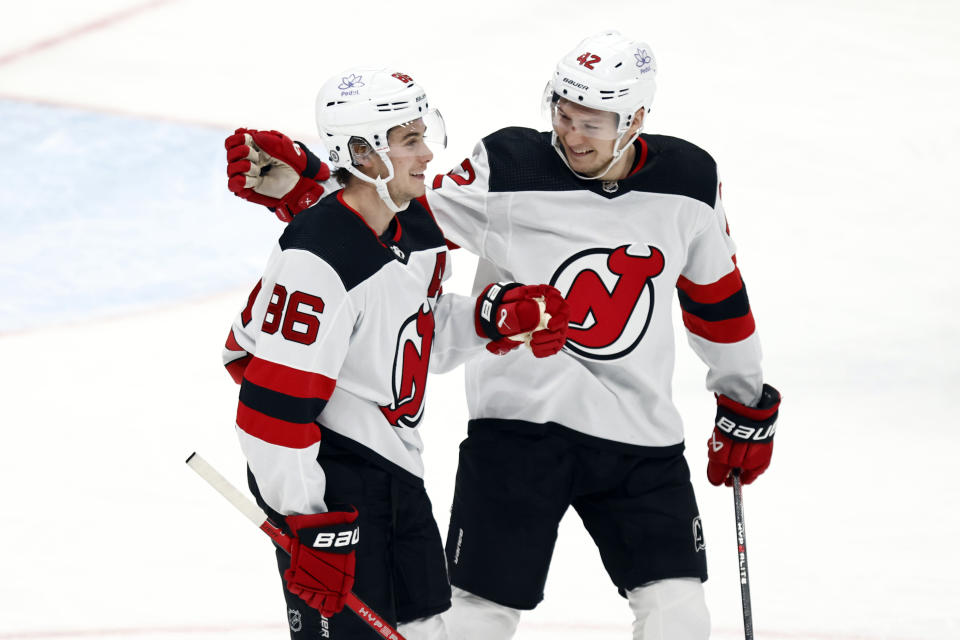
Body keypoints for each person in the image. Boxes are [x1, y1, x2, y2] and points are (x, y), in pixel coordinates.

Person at [226, 31, 782, 640]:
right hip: (518, 431)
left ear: (635, 119)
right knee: (473, 615)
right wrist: (314, 186)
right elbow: (395, 221)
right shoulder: (510, 164)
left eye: (591, 123)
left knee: (679, 610)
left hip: (639, 433)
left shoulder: (689, 180)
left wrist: (742, 398)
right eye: (562, 115)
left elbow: (717, 297)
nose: (570, 135)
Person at [220, 66, 569, 640]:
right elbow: (271, 415)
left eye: (422, 134)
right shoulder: (317, 259)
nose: (428, 153)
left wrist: (494, 316)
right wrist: (310, 523)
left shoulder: (415, 236)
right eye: (409, 140)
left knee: (428, 628)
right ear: (362, 152)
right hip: (334, 485)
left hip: (397, 473)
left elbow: (411, 336)